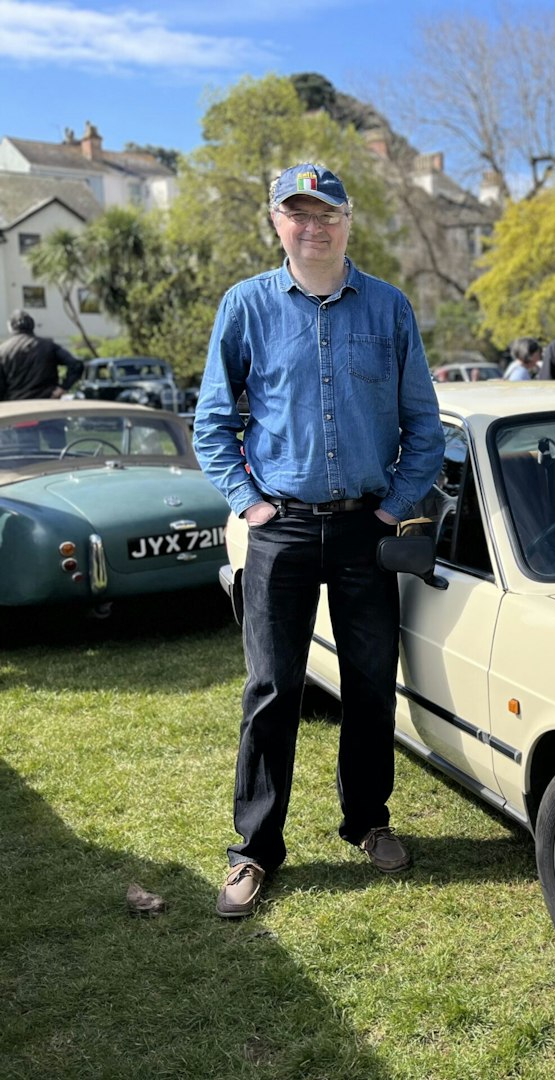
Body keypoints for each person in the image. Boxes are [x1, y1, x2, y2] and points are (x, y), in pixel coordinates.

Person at [192, 163, 445, 919]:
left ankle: (367, 820)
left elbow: (424, 428)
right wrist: (249, 503)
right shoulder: (246, 307)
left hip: (367, 528)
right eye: (298, 214)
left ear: (348, 218)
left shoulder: (391, 308)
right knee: (273, 691)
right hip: (285, 529)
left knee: (371, 685)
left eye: (326, 212)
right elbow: (212, 422)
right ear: (277, 223)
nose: (314, 226)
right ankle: (255, 851)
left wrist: (390, 507)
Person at [0, 309, 83, 401]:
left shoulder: (3, 351)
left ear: (10, 327)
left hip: (16, 405)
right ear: (32, 325)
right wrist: (63, 387)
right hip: (47, 402)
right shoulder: (48, 346)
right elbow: (76, 365)